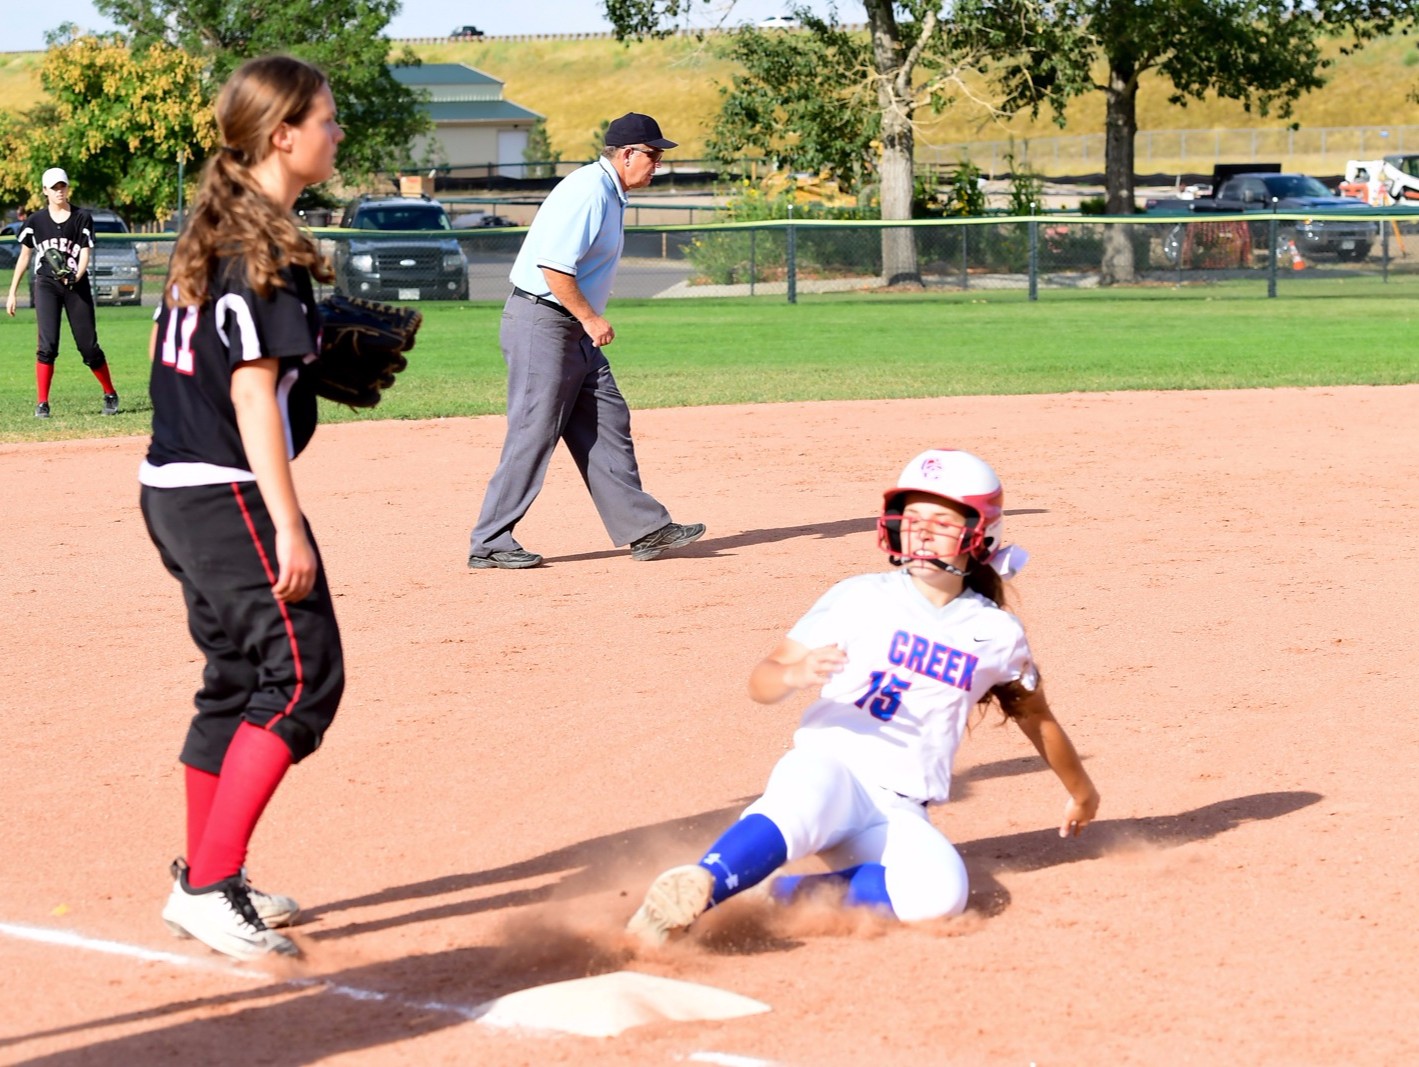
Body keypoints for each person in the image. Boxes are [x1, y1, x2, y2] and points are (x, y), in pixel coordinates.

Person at [627, 449, 1100, 944]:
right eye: (912, 519)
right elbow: (762, 680)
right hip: (832, 769)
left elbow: (1037, 718)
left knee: (937, 895)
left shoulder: (996, 633)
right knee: (797, 804)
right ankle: (700, 888)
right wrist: (794, 674)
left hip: (896, 807)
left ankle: (767, 895)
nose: (922, 532)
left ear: (981, 533)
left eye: (941, 522)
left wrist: (1082, 792)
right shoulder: (860, 596)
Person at [139, 55, 346, 962]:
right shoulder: (264, 251)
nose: (336, 132)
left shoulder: (216, 231)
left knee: (234, 678)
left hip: (172, 489)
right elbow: (252, 395)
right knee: (302, 677)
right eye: (325, 119)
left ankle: (209, 870)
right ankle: (209, 886)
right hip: (226, 493)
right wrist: (288, 524)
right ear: (282, 135)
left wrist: (313, 363)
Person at [467, 112, 704, 570]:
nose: (657, 164)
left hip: (568, 327)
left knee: (607, 418)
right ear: (628, 154)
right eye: (653, 155)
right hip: (543, 322)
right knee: (534, 432)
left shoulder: (610, 192)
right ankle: (489, 542)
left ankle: (644, 528)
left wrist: (584, 322)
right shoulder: (589, 191)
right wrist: (591, 318)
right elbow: (553, 267)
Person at [5, 168, 119, 418]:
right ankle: (42, 403)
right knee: (47, 345)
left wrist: (75, 276)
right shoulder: (35, 221)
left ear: (68, 188)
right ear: (45, 191)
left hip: (76, 285)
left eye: (62, 186)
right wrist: (12, 292)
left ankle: (110, 393)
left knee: (88, 347)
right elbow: (24, 256)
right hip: (46, 284)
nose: (59, 191)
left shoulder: (81, 217)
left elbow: (85, 253)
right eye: (54, 187)